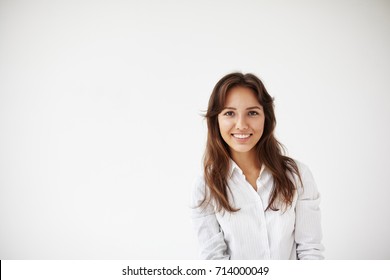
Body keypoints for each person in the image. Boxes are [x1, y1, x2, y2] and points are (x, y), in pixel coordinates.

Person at [190, 72, 324, 260]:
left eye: (252, 113)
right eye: (229, 113)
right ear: (216, 120)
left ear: (266, 118)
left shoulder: (298, 175)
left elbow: (310, 251)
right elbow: (214, 261)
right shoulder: (205, 186)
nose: (242, 125)